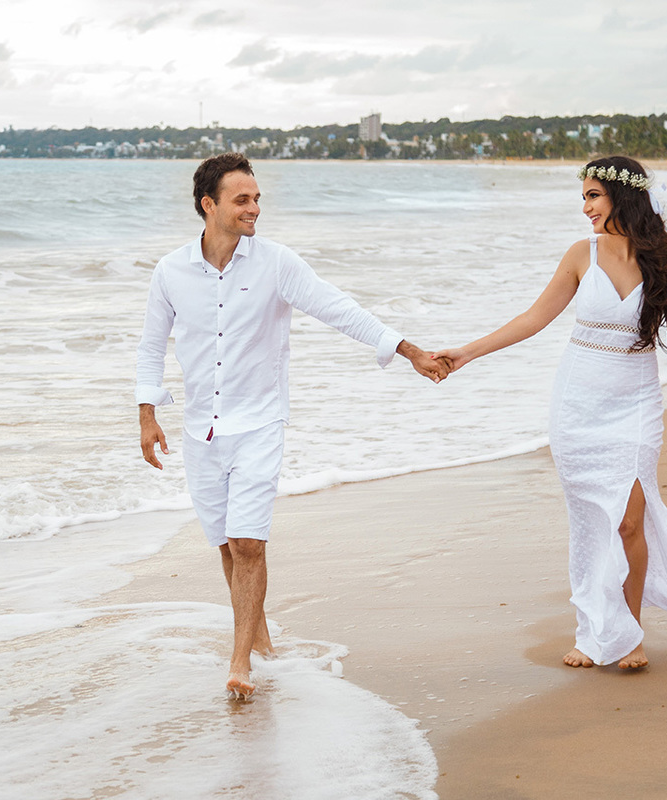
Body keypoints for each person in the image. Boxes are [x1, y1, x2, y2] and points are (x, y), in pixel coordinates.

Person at [136, 152, 449, 698]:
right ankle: (258, 640)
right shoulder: (170, 272)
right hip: (198, 430)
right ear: (209, 205)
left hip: (259, 423)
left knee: (248, 542)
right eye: (243, 199)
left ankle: (240, 663)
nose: (255, 207)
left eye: (257, 198)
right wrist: (147, 412)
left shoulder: (276, 263)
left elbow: (338, 307)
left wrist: (409, 350)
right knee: (226, 546)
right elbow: (149, 345)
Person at [435, 155, 667, 669]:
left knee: (632, 522)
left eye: (594, 196)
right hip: (578, 405)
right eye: (584, 198)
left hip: (637, 402)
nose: (586, 207)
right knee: (594, 523)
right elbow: (533, 318)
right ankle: (596, 630)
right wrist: (466, 352)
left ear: (623, 196)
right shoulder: (580, 255)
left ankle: (629, 634)